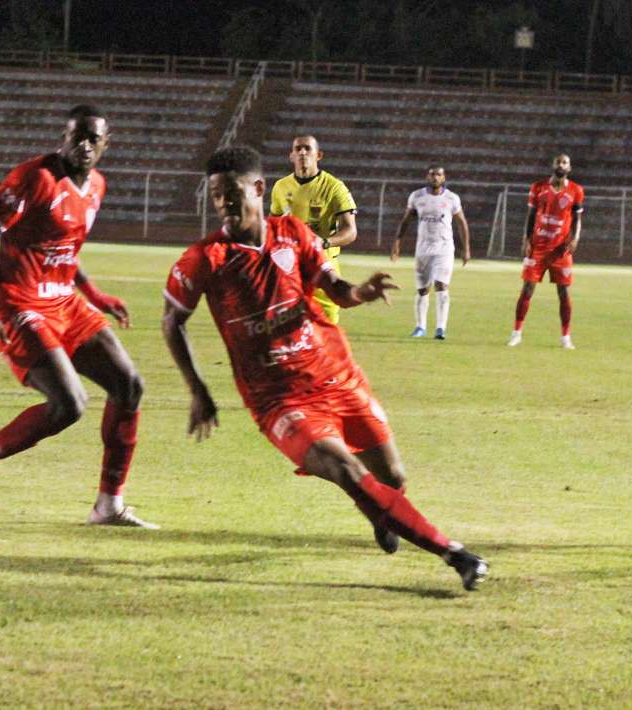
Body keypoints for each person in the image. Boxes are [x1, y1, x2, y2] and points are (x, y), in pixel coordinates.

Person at [162, 146, 488, 591]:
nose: (224, 204)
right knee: (346, 471)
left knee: (393, 477)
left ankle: (385, 513)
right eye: (217, 196)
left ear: (258, 189)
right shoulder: (206, 258)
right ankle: (455, 554)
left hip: (334, 376)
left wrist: (360, 293)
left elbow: (333, 288)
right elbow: (171, 320)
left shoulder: (292, 234)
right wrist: (197, 389)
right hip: (278, 400)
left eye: (233, 193)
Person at [0, 104, 156, 528]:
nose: (83, 145)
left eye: (92, 139)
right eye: (75, 136)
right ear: (62, 137)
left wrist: (93, 293)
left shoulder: (97, 186)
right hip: (19, 302)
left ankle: (108, 506)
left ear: (105, 145)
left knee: (129, 386)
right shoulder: (35, 178)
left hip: (66, 302)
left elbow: (63, 248)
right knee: (68, 405)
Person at [270, 135, 356, 324]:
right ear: (291, 156)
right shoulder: (280, 187)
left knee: (327, 327)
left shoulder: (334, 187)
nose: (302, 152)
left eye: (307, 149)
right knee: (288, 330)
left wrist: (324, 242)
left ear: (318, 155)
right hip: (291, 268)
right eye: (298, 149)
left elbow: (350, 231)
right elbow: (274, 226)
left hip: (324, 266)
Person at [508, 154, 584, 349]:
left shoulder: (576, 190)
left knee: (564, 292)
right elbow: (531, 215)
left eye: (565, 162)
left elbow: (577, 219)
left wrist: (575, 238)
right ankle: (516, 333)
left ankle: (565, 337)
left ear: (570, 167)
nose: (561, 165)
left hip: (561, 250)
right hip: (538, 248)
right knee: (527, 289)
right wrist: (526, 240)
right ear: (553, 165)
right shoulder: (538, 187)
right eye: (558, 162)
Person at [390, 166, 471, 340]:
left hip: (444, 248)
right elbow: (406, 221)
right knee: (423, 289)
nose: (435, 177)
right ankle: (420, 327)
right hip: (423, 249)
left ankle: (441, 328)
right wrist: (397, 243)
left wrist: (466, 249)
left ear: (444, 177)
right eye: (432, 174)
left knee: (441, 286)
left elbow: (461, 223)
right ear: (427, 176)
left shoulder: (451, 198)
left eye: (439, 174)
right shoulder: (417, 196)